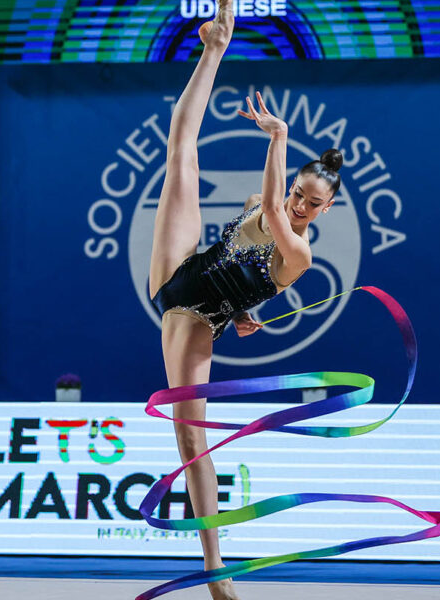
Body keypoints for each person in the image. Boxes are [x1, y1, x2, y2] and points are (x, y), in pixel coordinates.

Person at [146, 1, 343, 598]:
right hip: (183, 270)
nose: (300, 207)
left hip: (194, 314)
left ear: (327, 210)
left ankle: (214, 567)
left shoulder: (301, 252)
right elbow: (249, 250)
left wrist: (278, 139)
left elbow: (273, 247)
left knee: (190, 438)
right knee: (182, 148)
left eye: (313, 203)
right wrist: (248, 311)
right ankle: (213, 48)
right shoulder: (273, 205)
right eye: (298, 195)